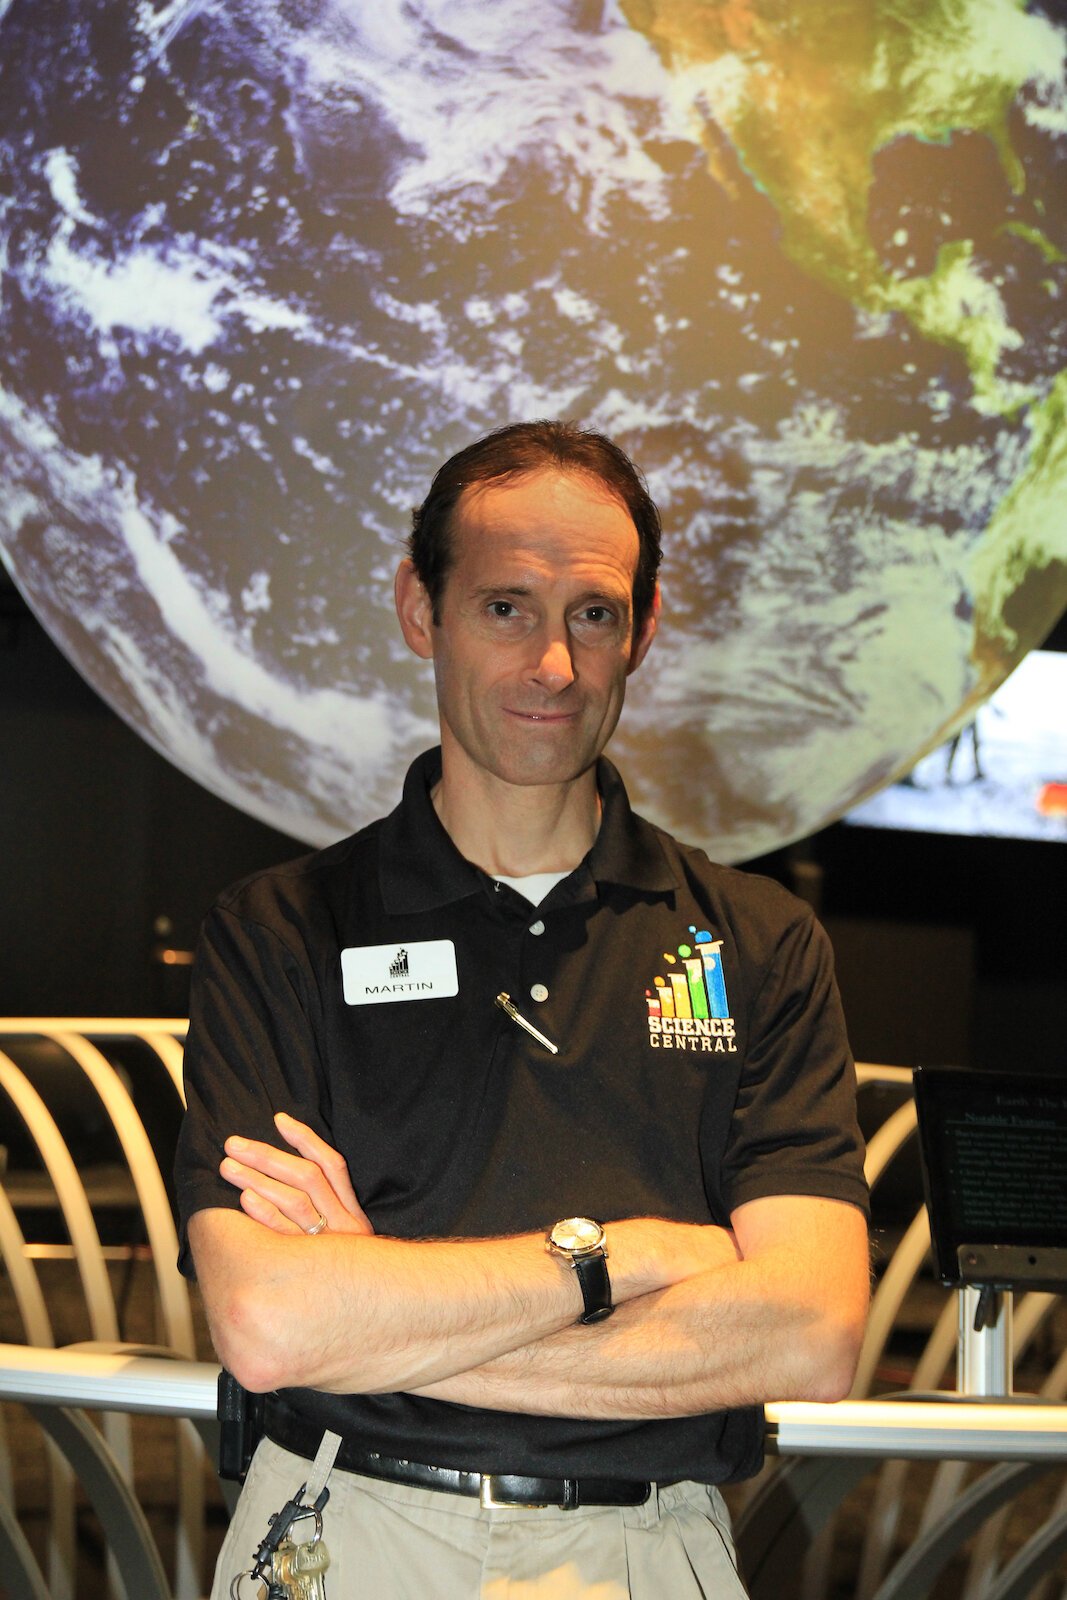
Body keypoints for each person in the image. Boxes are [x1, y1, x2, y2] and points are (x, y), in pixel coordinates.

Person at [175, 420, 870, 1600]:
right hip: (342, 1532)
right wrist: (629, 1256)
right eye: (505, 607)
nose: (552, 662)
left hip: (645, 1551)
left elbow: (809, 1332)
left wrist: (384, 1303)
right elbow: (270, 1320)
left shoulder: (754, 943)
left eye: (591, 614)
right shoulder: (279, 930)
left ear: (639, 630)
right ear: (420, 611)